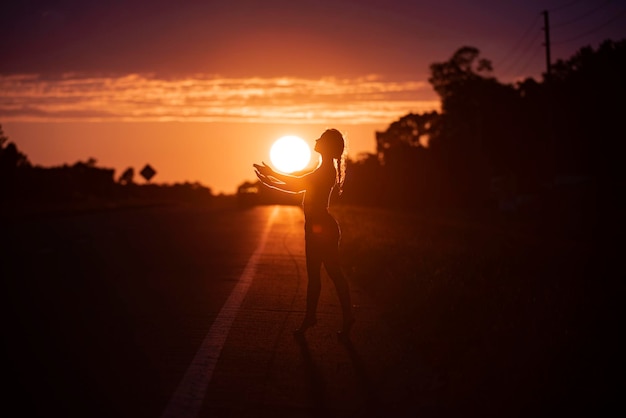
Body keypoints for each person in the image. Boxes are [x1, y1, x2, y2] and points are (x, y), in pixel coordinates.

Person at [253, 129, 355, 338]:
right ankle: (312, 317)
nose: (316, 140)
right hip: (315, 226)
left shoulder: (325, 170)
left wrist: (271, 176)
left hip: (321, 227)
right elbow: (298, 185)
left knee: (332, 274)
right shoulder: (322, 169)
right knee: (316, 276)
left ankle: (345, 316)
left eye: (321, 139)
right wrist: (270, 179)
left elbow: (298, 184)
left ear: (326, 146)